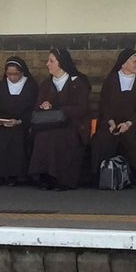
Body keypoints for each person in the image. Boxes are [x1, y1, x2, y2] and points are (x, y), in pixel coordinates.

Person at [28, 48, 90, 191]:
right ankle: (45, 176)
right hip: (50, 123)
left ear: (61, 63)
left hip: (72, 123)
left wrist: (60, 110)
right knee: (42, 136)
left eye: (51, 61)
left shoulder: (78, 83)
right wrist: (44, 105)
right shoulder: (45, 84)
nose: (47, 64)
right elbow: (37, 104)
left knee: (61, 136)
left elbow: (82, 108)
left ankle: (63, 179)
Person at [91, 49, 136, 186]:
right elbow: (104, 104)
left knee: (135, 137)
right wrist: (111, 122)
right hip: (112, 123)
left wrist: (129, 123)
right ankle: (104, 172)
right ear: (123, 63)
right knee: (103, 138)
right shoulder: (111, 80)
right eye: (135, 61)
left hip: (135, 123)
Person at [0, 56, 38, 186]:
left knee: (16, 136)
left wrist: (20, 121)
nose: (12, 77)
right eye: (9, 74)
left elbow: (33, 108)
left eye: (15, 74)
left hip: (20, 124)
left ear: (22, 72)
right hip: (1, 123)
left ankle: (13, 175)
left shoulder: (31, 86)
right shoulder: (1, 86)